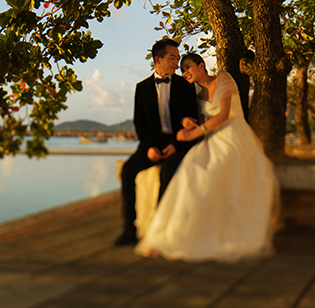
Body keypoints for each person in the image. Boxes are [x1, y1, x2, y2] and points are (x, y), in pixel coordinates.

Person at [135, 53, 279, 262]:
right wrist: (186, 124)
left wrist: (194, 133)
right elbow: (198, 119)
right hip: (210, 137)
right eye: (182, 69)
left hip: (233, 135)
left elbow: (223, 114)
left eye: (188, 67)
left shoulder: (224, 78)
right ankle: (173, 234)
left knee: (214, 169)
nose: (185, 72)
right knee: (190, 171)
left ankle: (208, 233)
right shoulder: (196, 93)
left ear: (201, 65)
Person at [114, 39, 200, 246]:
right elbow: (140, 122)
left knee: (166, 173)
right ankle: (130, 229)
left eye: (177, 58)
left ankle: (158, 230)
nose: (176, 63)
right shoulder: (142, 88)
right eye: (172, 58)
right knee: (127, 171)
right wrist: (150, 147)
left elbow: (192, 120)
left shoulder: (185, 86)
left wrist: (176, 146)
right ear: (157, 60)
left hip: (178, 143)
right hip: (151, 144)